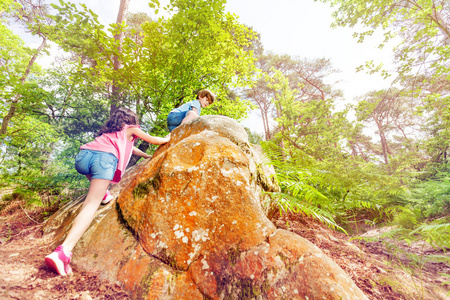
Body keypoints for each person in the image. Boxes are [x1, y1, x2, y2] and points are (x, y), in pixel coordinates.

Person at [45, 107, 170, 276]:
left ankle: (103, 193)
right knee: (90, 205)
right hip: (103, 160)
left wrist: (146, 156)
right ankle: (63, 252)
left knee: (95, 176)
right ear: (131, 120)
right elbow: (154, 139)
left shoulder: (111, 133)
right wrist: (168, 138)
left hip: (83, 158)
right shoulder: (131, 128)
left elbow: (132, 149)